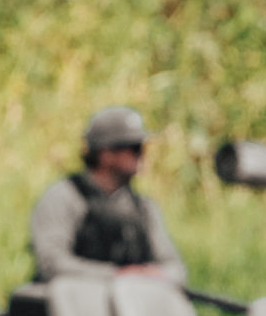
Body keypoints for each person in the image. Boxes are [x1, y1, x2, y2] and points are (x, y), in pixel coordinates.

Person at [29, 106, 187, 285]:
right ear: (106, 154)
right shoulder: (62, 198)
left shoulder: (143, 207)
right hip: (69, 307)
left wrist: (153, 275)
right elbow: (51, 265)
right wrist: (117, 276)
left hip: (128, 308)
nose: (142, 155)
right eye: (135, 149)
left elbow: (175, 268)